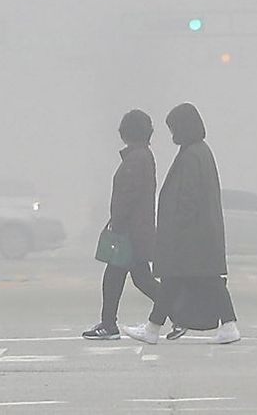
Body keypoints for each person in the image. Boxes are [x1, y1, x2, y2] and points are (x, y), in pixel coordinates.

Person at [121, 103, 240, 345]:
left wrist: (175, 230)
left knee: (179, 279)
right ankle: (226, 326)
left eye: (174, 128)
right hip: (199, 234)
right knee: (194, 280)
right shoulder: (199, 152)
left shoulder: (192, 155)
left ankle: (154, 329)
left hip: (190, 235)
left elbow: (188, 198)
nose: (172, 133)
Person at [82, 110, 161, 340]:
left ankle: (109, 325)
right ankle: (178, 312)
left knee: (116, 277)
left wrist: (116, 225)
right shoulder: (142, 156)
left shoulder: (136, 159)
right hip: (137, 230)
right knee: (141, 279)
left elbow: (126, 197)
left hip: (129, 232)